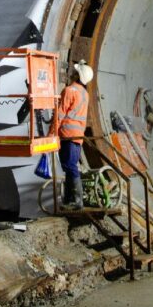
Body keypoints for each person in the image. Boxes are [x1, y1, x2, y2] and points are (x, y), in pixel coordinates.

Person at [57, 59, 93, 209]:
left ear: (78, 76)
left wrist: (52, 131)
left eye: (75, 72)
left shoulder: (69, 91)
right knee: (71, 166)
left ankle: (77, 201)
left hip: (67, 134)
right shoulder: (85, 94)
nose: (72, 73)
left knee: (69, 165)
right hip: (78, 136)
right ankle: (70, 200)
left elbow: (60, 113)